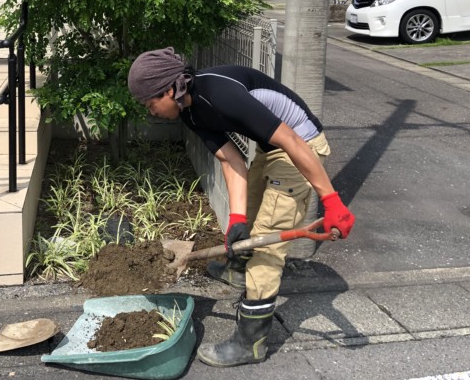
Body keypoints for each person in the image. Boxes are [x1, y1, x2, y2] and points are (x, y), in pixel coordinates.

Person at [127, 47, 355, 368]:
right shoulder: (191, 111)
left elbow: (291, 139)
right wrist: (235, 219)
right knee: (244, 219)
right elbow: (231, 158)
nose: (150, 111)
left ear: (168, 90)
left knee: (265, 244)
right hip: (273, 149)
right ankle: (237, 273)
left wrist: (332, 202)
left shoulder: (219, 94)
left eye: (150, 103)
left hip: (301, 145)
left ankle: (252, 342)